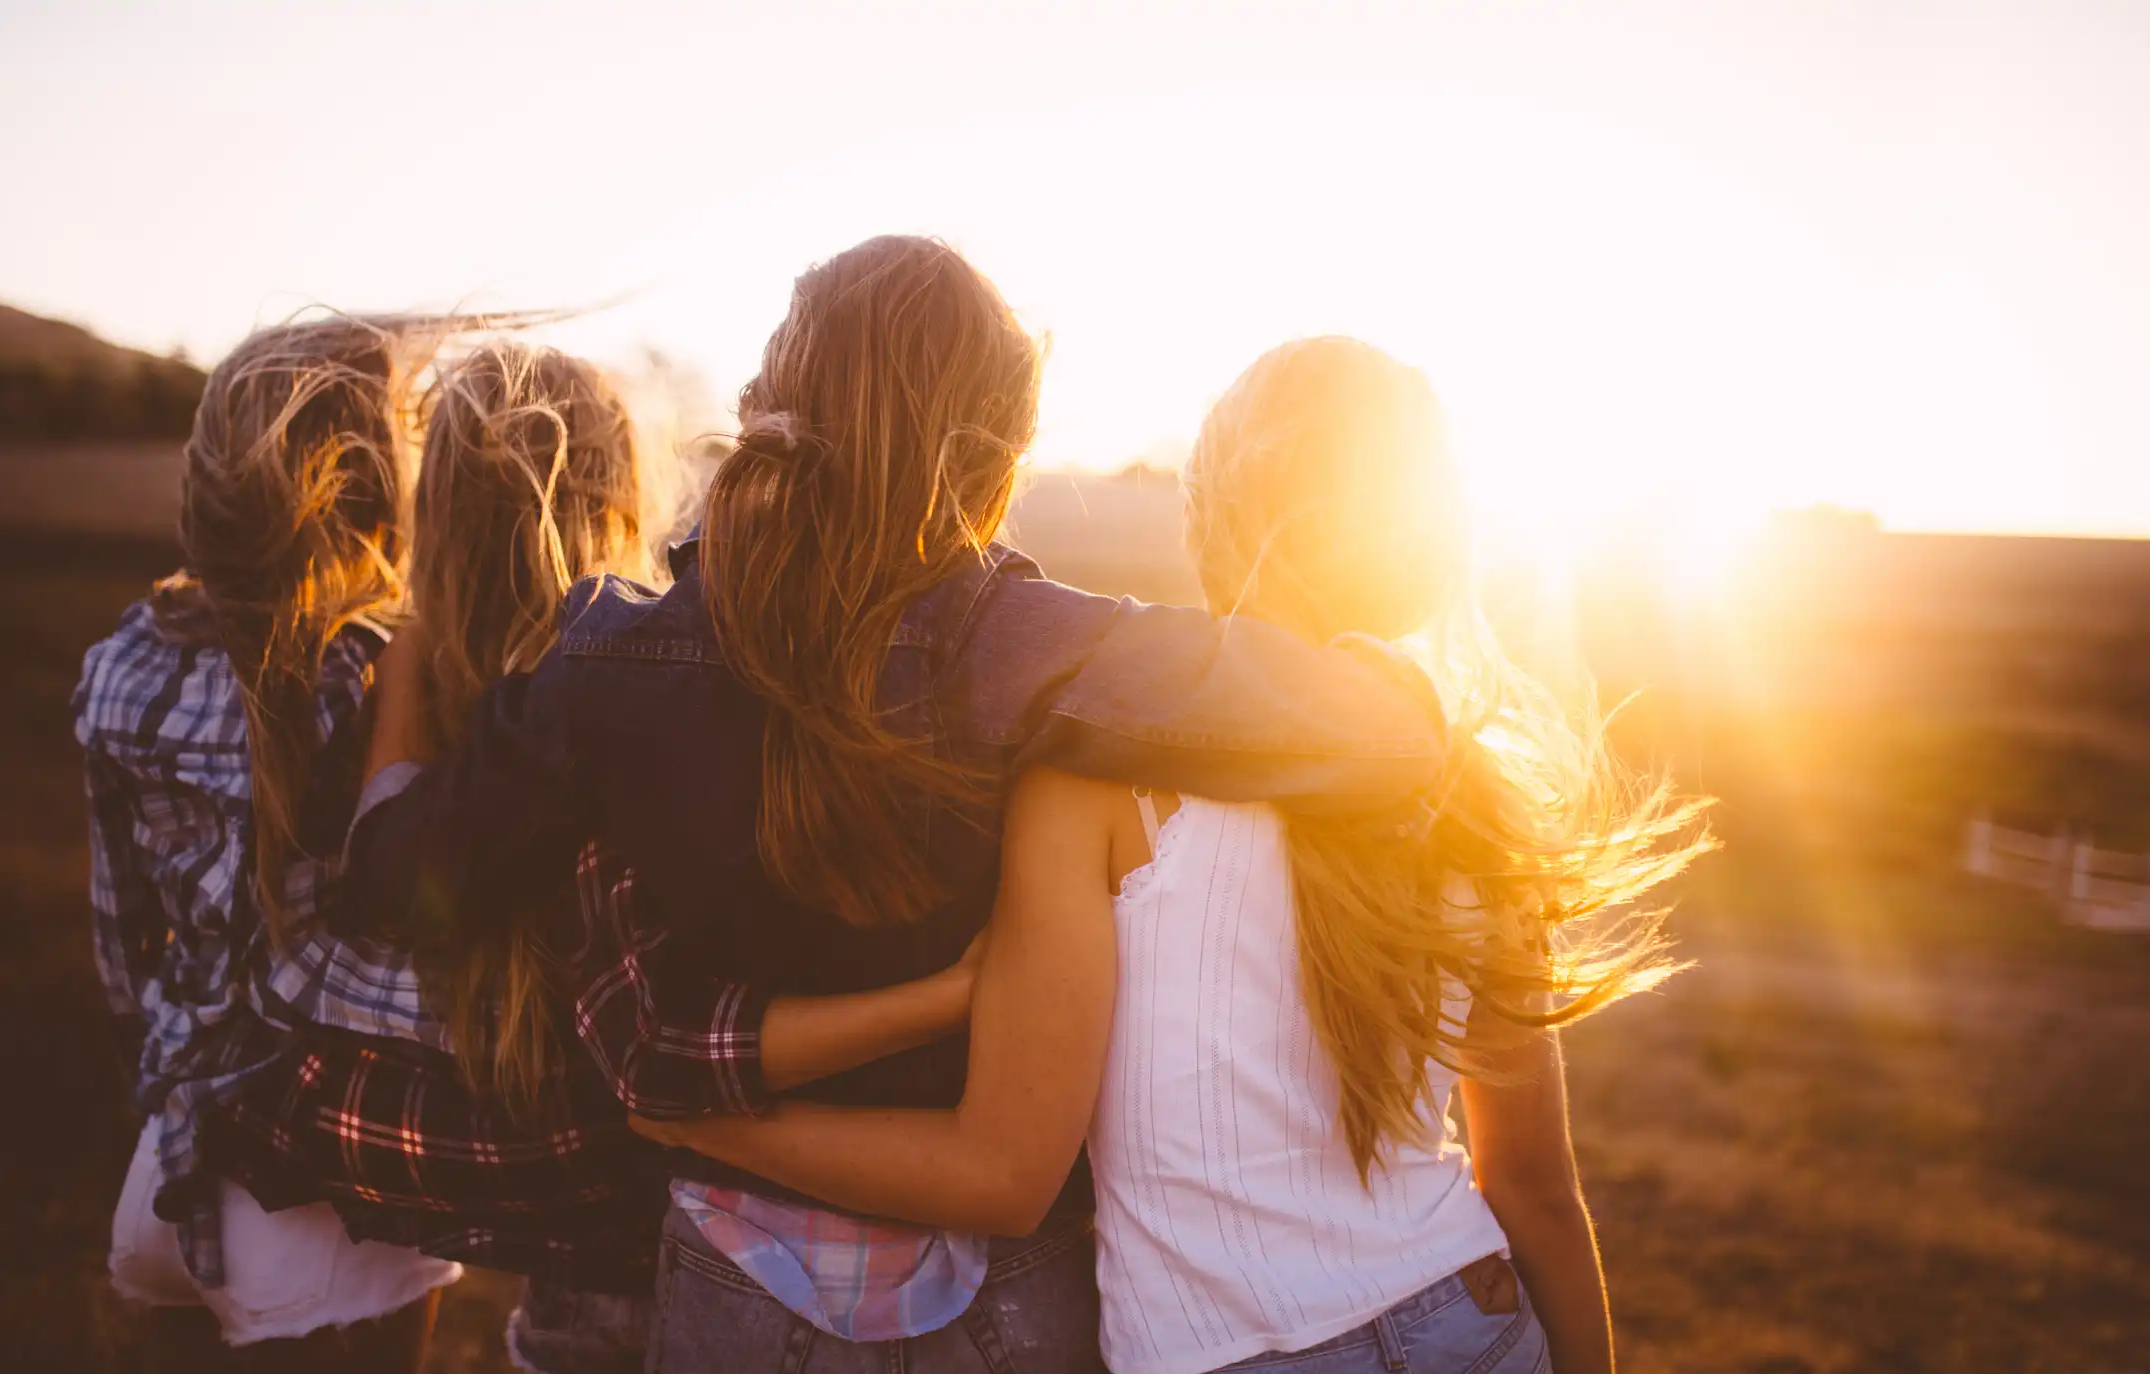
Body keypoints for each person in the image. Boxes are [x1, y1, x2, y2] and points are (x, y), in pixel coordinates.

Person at [341, 238, 1457, 1373]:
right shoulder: (1042, 651)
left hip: (737, 1274)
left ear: (768, 400)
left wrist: (397, 699)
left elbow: (400, 883)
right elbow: (1383, 730)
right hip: (1002, 1293)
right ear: (993, 459)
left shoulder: (610, 659)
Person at [635, 337, 1713, 1374]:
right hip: (1466, 1320)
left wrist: (711, 1128)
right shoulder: (1469, 785)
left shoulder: (1097, 780)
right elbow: (1531, 1190)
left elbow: (1003, 1174)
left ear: (1205, 518)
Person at [210, 339, 993, 1374]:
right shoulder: (680, 701)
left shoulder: (496, 742)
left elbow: (364, 914)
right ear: (624, 502)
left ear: (432, 534)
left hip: (621, 1286)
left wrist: (402, 674)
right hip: (758, 1253)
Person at [75, 317, 462, 1371]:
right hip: (337, 1193)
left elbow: (120, 949)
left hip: (167, 1173)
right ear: (387, 495)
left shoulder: (120, 665)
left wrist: (158, 1095)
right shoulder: (383, 679)